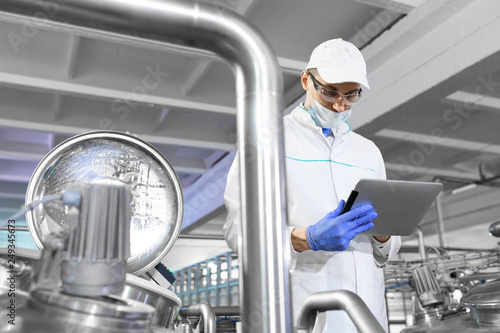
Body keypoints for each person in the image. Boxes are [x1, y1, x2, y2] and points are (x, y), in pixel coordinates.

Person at [223, 38, 401, 333]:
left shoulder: (367, 151)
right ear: (306, 80)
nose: (339, 104)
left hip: (367, 317)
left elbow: (386, 252)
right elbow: (236, 230)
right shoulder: (267, 140)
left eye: (351, 95)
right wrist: (306, 238)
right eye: (330, 92)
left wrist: (383, 237)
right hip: (303, 315)